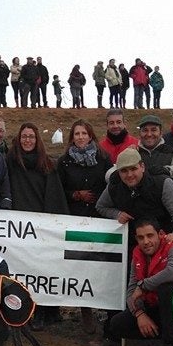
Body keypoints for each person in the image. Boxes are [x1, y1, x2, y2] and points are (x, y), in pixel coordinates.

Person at [7, 123, 69, 330]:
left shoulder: (48, 166)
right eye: (24, 136)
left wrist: (51, 225)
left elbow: (54, 197)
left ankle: (45, 310)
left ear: (37, 140)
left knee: (42, 270)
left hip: (41, 228)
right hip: (18, 227)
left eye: (31, 137)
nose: (27, 140)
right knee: (22, 270)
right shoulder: (11, 162)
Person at [57, 120, 112, 333]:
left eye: (84, 133)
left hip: (100, 218)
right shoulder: (64, 162)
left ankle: (107, 311)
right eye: (77, 134)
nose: (80, 137)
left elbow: (111, 184)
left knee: (101, 265)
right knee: (81, 266)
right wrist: (76, 194)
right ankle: (86, 312)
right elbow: (59, 189)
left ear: (90, 136)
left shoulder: (104, 159)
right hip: (75, 218)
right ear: (72, 137)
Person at [95, 148, 173, 242]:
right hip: (131, 241)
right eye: (124, 171)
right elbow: (101, 206)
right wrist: (116, 214)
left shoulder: (163, 183)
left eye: (133, 169)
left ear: (142, 167)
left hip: (162, 240)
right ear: (118, 172)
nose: (129, 175)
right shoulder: (114, 185)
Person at [136, 114, 173, 183]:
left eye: (154, 130)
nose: (149, 134)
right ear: (139, 133)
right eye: (145, 130)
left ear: (161, 133)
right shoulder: (133, 152)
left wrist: (166, 170)